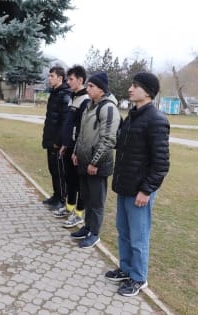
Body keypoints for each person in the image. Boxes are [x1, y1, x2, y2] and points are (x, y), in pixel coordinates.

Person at [105, 72, 170, 296]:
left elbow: (161, 164)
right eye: (131, 85)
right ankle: (125, 268)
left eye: (135, 86)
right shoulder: (132, 115)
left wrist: (146, 190)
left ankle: (139, 278)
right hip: (125, 187)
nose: (130, 89)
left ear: (148, 91)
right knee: (123, 231)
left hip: (139, 192)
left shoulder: (157, 120)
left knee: (139, 237)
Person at [71, 72, 121, 248]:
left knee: (97, 201)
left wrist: (95, 162)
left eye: (91, 86)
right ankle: (87, 227)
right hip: (84, 161)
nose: (88, 89)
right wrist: (76, 152)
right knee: (87, 197)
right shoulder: (89, 105)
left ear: (101, 89)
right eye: (88, 85)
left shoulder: (108, 108)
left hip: (97, 165)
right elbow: (82, 133)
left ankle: (95, 234)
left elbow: (108, 139)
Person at [56, 65, 90, 226]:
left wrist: (76, 149)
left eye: (71, 79)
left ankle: (79, 213)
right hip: (68, 146)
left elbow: (82, 128)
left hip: (79, 149)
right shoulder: (73, 97)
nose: (68, 82)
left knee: (79, 182)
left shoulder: (86, 100)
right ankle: (69, 208)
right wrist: (65, 144)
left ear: (80, 80)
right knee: (69, 179)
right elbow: (69, 124)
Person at [42, 66, 72, 213]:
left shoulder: (65, 95)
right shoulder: (54, 93)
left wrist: (58, 141)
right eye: (49, 76)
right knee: (52, 169)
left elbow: (65, 122)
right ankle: (55, 196)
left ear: (60, 78)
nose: (49, 78)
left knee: (59, 171)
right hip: (50, 139)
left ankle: (61, 200)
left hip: (56, 142)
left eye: (52, 76)